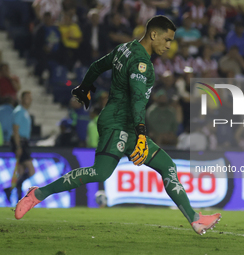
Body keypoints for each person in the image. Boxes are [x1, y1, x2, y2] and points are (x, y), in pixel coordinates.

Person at [15, 15, 221, 235]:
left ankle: (195, 218)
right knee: (100, 172)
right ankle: (38, 194)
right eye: (167, 39)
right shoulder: (142, 64)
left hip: (126, 124)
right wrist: (141, 135)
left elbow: (96, 66)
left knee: (168, 166)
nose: (169, 45)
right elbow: (137, 100)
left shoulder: (124, 49)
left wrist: (84, 88)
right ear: (153, 35)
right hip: (119, 124)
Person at [4, 91, 35, 202]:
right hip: (20, 142)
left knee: (21, 171)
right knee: (31, 170)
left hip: (23, 142)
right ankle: (9, 189)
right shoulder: (19, 111)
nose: (30, 100)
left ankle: (18, 198)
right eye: (27, 98)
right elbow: (15, 130)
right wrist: (18, 146)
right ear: (22, 99)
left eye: (30, 98)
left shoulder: (25, 112)